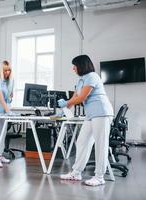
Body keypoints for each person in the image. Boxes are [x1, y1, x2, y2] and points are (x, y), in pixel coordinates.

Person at [58, 55, 113, 186]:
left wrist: (66, 103)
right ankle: (76, 173)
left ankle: (99, 177)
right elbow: (74, 97)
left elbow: (82, 97)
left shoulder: (92, 76)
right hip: (91, 115)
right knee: (82, 141)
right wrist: (64, 109)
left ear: (81, 65)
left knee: (100, 144)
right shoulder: (81, 81)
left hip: (101, 112)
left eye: (74, 66)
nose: (73, 69)